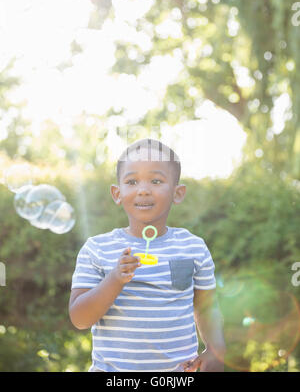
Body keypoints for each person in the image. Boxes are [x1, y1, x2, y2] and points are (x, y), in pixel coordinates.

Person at [69, 138, 226, 372]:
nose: (143, 190)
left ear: (178, 193)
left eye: (156, 180)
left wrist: (214, 351)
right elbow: (80, 318)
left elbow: (206, 309)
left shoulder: (193, 247)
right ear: (117, 193)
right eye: (131, 181)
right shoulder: (97, 249)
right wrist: (114, 279)